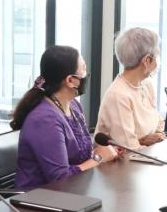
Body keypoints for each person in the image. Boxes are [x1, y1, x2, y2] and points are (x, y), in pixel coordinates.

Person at [13, 45, 119, 191]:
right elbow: (60, 179)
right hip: (40, 198)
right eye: (83, 69)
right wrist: (98, 158)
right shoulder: (45, 120)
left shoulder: (74, 105)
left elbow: (79, 156)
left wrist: (105, 152)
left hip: (73, 190)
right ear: (70, 80)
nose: (87, 75)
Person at [95, 27, 165, 150]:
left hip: (147, 155)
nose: (158, 60)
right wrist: (144, 141)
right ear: (147, 60)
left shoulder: (146, 84)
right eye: (157, 56)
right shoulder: (118, 95)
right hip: (126, 161)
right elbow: (130, 149)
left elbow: (159, 124)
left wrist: (157, 136)